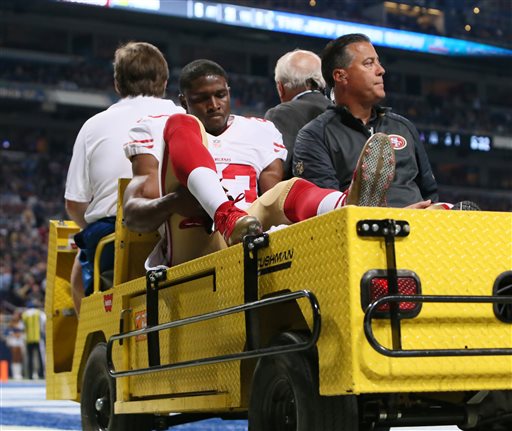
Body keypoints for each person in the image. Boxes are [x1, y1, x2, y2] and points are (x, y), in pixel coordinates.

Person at [123, 59, 395, 268]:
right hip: (192, 237)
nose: (214, 105)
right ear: (183, 100)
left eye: (220, 95)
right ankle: (224, 213)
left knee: (287, 189)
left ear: (229, 92)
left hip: (244, 233)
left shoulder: (260, 131)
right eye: (202, 99)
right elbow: (133, 214)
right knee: (182, 124)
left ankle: (346, 205)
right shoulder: (157, 126)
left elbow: (272, 202)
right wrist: (172, 202)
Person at [64, 41, 184, 313]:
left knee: (76, 277)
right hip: (178, 228)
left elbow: (74, 205)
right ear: (165, 82)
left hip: (112, 238)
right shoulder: (185, 117)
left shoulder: (92, 126)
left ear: (117, 84)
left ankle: (94, 339)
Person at [293, 33, 439, 208]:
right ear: (340, 76)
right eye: (369, 63)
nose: (381, 70)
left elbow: (430, 194)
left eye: (378, 62)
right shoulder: (314, 136)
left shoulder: (403, 127)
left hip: (422, 227)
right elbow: (327, 213)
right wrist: (397, 219)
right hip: (365, 231)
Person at [265, 49, 333, 179]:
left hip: (302, 196)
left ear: (281, 88)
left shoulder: (281, 114)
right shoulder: (340, 112)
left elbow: (277, 170)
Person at [21, 303, 45, 380]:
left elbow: (22, 326)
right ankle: (41, 374)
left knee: (29, 357)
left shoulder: (25, 314)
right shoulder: (39, 313)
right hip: (38, 338)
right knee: (40, 357)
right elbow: (44, 322)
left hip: (28, 338)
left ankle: (30, 375)